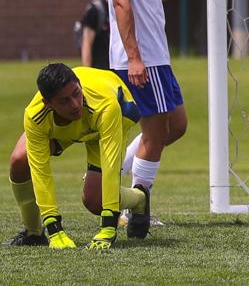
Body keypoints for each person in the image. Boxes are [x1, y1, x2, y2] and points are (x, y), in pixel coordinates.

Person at [102, 0, 219, 239]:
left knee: (175, 126)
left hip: (155, 59)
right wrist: (135, 59)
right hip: (142, 60)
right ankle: (137, 212)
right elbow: (122, 4)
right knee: (155, 134)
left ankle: (110, 175)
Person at [3, 64, 148, 249]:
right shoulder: (34, 116)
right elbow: (41, 172)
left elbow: (111, 166)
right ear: (48, 103)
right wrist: (54, 228)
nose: (75, 104)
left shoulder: (105, 104)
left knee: (95, 201)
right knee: (19, 160)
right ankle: (33, 233)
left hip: (116, 113)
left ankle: (140, 198)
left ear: (79, 84)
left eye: (76, 93)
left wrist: (109, 227)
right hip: (73, 126)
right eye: (64, 101)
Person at [79, 0, 111, 70]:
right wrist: (88, 71)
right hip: (100, 68)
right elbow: (86, 43)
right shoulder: (97, 10)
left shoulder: (125, 7)